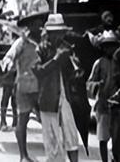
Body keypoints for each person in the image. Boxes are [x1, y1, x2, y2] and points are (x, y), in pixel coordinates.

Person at [32, 14, 80, 162]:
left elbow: (74, 74)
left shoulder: (66, 47)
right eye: (55, 33)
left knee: (71, 137)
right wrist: (55, 60)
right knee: (52, 142)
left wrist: (73, 62)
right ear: (49, 33)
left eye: (61, 33)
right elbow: (37, 71)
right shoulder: (40, 49)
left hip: (66, 99)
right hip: (48, 99)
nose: (58, 37)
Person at [2, 11, 47, 162]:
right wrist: (9, 64)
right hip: (25, 85)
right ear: (29, 25)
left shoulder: (45, 41)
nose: (39, 26)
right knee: (23, 119)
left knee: (48, 120)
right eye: (36, 24)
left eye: (40, 23)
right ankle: (23, 155)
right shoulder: (21, 42)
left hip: (43, 86)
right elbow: (8, 57)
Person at [87, 30, 120, 162]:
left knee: (117, 137)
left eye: (112, 46)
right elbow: (89, 83)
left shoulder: (119, 63)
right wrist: (97, 85)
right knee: (103, 137)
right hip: (102, 104)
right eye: (107, 46)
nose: (110, 49)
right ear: (103, 48)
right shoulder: (99, 63)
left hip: (117, 105)